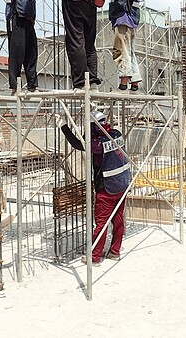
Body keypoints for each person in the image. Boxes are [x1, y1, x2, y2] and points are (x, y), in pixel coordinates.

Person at [57, 110, 131, 265]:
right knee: (118, 219)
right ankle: (114, 251)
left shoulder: (99, 143)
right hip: (123, 184)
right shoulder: (116, 134)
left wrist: (63, 126)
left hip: (108, 188)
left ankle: (95, 257)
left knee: (101, 223)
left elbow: (79, 144)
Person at [104, 0, 145, 92]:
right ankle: (134, 81)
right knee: (129, 50)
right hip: (125, 20)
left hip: (124, 19)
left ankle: (124, 80)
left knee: (120, 49)